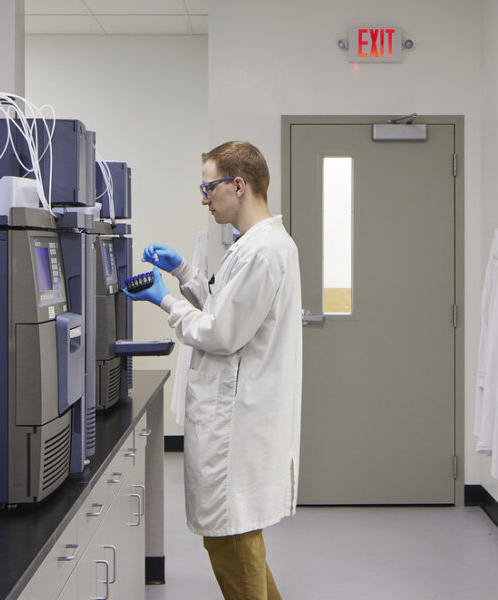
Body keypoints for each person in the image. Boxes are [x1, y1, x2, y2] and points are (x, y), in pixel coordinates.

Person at [124, 141, 302, 600]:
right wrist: (184, 272)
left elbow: (222, 333)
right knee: (235, 540)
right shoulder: (255, 247)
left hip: (236, 424)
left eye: (209, 187)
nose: (205, 198)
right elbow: (228, 307)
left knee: (233, 540)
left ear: (238, 185)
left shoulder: (263, 251)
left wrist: (165, 299)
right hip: (236, 419)